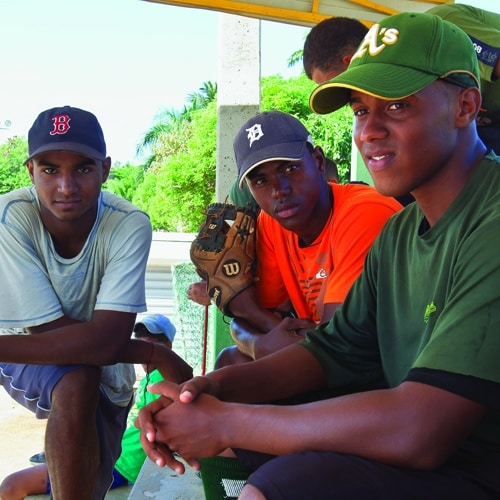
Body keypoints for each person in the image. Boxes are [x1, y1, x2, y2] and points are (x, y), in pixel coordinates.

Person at [136, 12, 500, 499]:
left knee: (281, 481)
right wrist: (210, 391)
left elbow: (423, 429)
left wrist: (229, 421)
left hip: (473, 461)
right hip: (437, 453)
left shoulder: (488, 220)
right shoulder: (401, 233)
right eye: (359, 111)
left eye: (395, 106)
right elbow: (331, 352)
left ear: (466, 105)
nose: (368, 130)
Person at [0, 106, 192, 499]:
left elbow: (105, 343)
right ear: (30, 170)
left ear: (105, 169)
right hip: (23, 346)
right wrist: (151, 353)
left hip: (107, 369)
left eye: (83, 169)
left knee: (92, 485)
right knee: (76, 378)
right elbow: (46, 332)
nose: (66, 186)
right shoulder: (11, 216)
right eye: (50, 169)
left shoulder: (127, 223)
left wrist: (140, 350)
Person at [191, 110, 401, 368]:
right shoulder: (272, 223)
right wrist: (251, 324)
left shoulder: (364, 212)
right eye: (260, 180)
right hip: (333, 363)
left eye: (289, 168)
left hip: (385, 369)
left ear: (318, 161)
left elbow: (334, 349)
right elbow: (255, 323)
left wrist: (257, 334)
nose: (279, 190)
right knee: (229, 360)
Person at [0, 314, 188, 499]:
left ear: (168, 345)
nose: (143, 340)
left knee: (11, 484)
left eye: (152, 340)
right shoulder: (144, 376)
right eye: (140, 338)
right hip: (120, 455)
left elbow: (150, 423)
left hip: (124, 465)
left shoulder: (159, 379)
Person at [303, 4, 500, 154]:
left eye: (342, 82)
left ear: (350, 62)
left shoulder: (437, 31)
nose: (368, 132)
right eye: (361, 110)